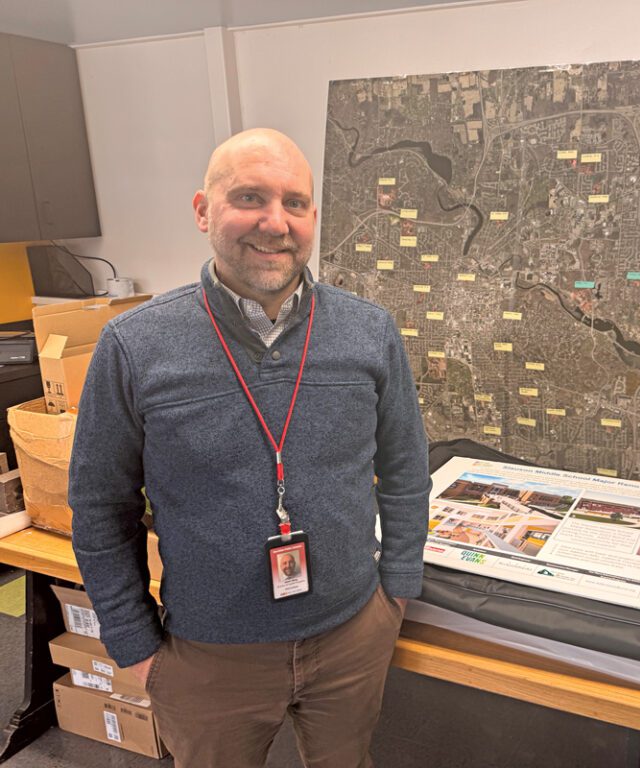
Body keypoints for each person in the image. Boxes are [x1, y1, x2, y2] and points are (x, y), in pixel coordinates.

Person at [69, 128, 430, 767]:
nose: (274, 221)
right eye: (249, 197)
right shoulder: (133, 347)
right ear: (204, 210)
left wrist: (395, 592)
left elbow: (404, 471)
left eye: (295, 202)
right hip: (207, 657)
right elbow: (100, 510)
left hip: (352, 636)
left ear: (314, 218)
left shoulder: (369, 333)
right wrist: (134, 644)